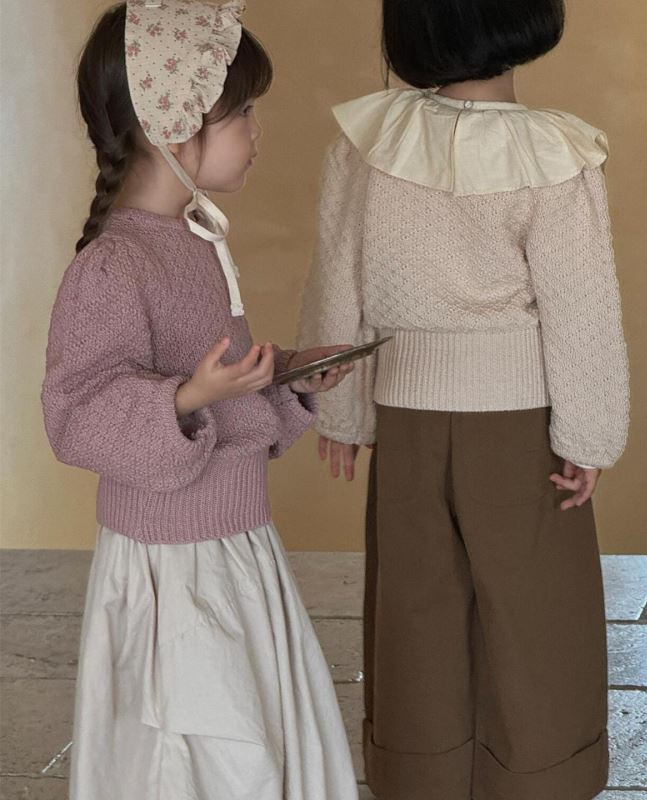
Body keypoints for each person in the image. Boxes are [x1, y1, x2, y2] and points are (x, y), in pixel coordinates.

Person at [297, 1, 630, 797]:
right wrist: (589, 437)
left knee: (416, 609)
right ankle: (541, 777)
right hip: (520, 430)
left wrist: (341, 412)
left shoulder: (367, 144)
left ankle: (422, 775)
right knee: (535, 612)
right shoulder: (553, 155)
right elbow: (581, 311)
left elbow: (336, 281)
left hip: (407, 421)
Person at [41, 2, 359, 797]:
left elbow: (218, 397)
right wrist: (187, 396)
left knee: (249, 738)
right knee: (204, 752)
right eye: (242, 113)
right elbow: (75, 417)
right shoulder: (113, 266)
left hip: (234, 543)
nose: (256, 133)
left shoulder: (196, 239)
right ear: (173, 126)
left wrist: (285, 378)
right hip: (172, 567)